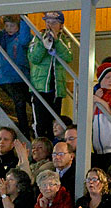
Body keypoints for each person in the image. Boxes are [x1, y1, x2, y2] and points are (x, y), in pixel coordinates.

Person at [0, 15, 31, 138]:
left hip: (22, 76)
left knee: (31, 101)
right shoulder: (2, 37)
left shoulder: (21, 38)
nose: (9, 28)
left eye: (13, 25)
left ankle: (33, 126)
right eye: (7, 25)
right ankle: (24, 129)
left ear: (18, 27)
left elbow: (25, 39)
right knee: (19, 101)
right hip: (6, 77)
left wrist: (24, 19)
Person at [28, 11, 73, 139]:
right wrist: (44, 44)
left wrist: (57, 41)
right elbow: (33, 58)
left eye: (54, 23)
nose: (50, 25)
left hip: (57, 88)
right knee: (40, 123)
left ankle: (52, 149)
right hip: (40, 87)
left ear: (61, 26)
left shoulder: (64, 40)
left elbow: (68, 57)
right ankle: (40, 146)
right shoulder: (37, 37)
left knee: (54, 123)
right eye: (48, 22)